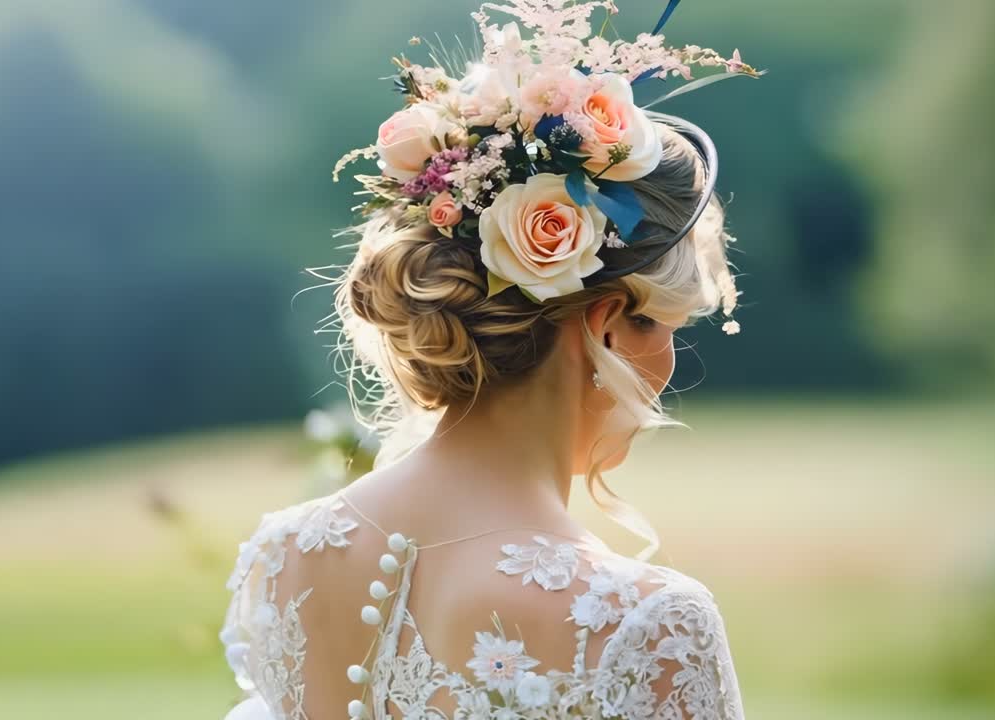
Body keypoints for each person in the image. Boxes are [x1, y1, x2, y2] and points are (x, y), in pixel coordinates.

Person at [220, 2, 760, 718]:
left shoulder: (287, 557)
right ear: (603, 327)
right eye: (667, 325)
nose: (667, 362)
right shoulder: (646, 626)